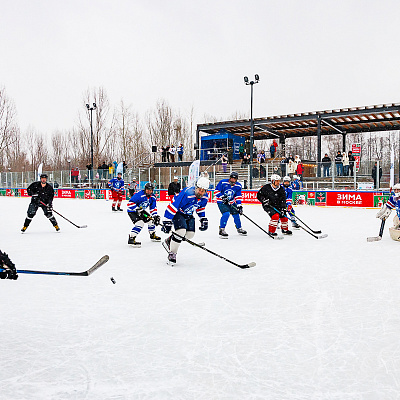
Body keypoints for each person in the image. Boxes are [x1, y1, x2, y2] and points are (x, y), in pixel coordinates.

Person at [161, 176, 210, 265]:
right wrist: (167, 221)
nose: (200, 192)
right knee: (181, 232)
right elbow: (173, 206)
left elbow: (200, 208)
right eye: (199, 189)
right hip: (178, 213)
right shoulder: (187, 193)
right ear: (196, 187)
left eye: (203, 191)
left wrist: (203, 218)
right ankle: (172, 253)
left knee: (190, 235)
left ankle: (169, 241)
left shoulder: (205, 197)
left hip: (189, 214)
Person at [126, 182, 161, 247]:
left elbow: (153, 208)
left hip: (141, 211)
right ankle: (131, 238)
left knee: (151, 220)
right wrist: (137, 209)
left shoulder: (153, 197)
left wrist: (155, 216)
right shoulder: (139, 195)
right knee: (140, 223)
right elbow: (130, 204)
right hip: (132, 211)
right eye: (148, 189)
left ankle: (152, 235)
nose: (149, 191)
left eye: (150, 190)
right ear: (145, 189)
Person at [215, 171, 247, 239]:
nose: (232, 180)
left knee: (236, 214)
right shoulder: (223, 182)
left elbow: (238, 196)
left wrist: (239, 205)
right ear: (229, 178)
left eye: (234, 179)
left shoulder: (238, 186)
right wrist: (223, 197)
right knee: (226, 213)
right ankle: (222, 229)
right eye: (231, 178)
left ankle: (239, 228)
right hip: (221, 202)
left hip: (231, 202)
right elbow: (216, 191)